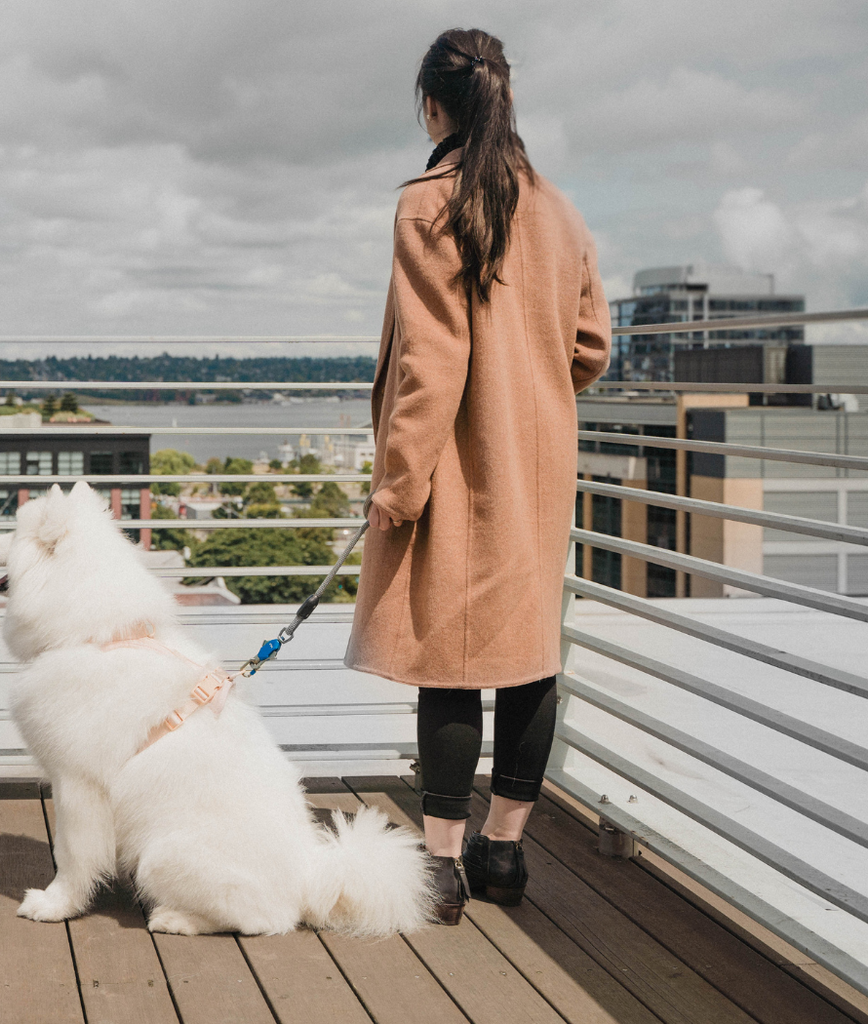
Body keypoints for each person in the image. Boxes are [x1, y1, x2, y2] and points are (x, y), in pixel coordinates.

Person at [344, 27, 612, 925]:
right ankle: (506, 851)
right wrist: (531, 394)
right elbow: (591, 350)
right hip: (538, 466)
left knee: (452, 660)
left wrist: (399, 485)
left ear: (432, 105)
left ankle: (443, 868)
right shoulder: (561, 211)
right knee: (529, 655)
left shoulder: (430, 202)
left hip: (458, 460)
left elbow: (431, 358)